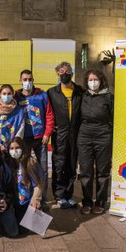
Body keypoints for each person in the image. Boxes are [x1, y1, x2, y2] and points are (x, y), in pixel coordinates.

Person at [47, 62, 84, 209]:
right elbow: (47, 113)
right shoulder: (51, 93)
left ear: (72, 73)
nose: (64, 74)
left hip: (75, 133)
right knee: (59, 164)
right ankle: (59, 195)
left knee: (72, 164)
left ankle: (69, 194)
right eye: (61, 71)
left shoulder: (80, 91)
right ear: (57, 74)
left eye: (67, 71)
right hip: (59, 134)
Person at [77, 69, 114, 215]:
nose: (93, 82)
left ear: (101, 80)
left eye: (96, 79)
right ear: (87, 82)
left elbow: (114, 116)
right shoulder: (83, 96)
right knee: (86, 171)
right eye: (90, 80)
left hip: (103, 134)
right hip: (85, 135)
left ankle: (100, 202)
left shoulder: (109, 96)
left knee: (102, 171)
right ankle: (86, 202)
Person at [14, 69, 54, 202]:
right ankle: (26, 197)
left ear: (33, 80)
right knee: (23, 169)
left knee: (42, 170)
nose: (27, 82)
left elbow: (49, 115)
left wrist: (47, 133)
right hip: (23, 140)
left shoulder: (42, 95)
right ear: (20, 81)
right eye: (25, 80)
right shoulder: (16, 96)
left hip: (40, 139)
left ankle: (42, 199)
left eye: (30, 79)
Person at [7, 137, 43, 233]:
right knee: (13, 230)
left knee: (24, 230)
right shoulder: (7, 163)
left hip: (27, 202)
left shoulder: (30, 162)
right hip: (13, 203)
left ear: (23, 148)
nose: (14, 151)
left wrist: (35, 200)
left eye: (17, 147)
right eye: (11, 148)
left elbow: (38, 185)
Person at [0, 84, 25, 151]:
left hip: (14, 147)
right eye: (4, 93)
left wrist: (14, 144)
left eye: (9, 93)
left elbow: (21, 129)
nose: (6, 96)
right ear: (0, 94)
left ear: (13, 94)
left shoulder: (19, 111)